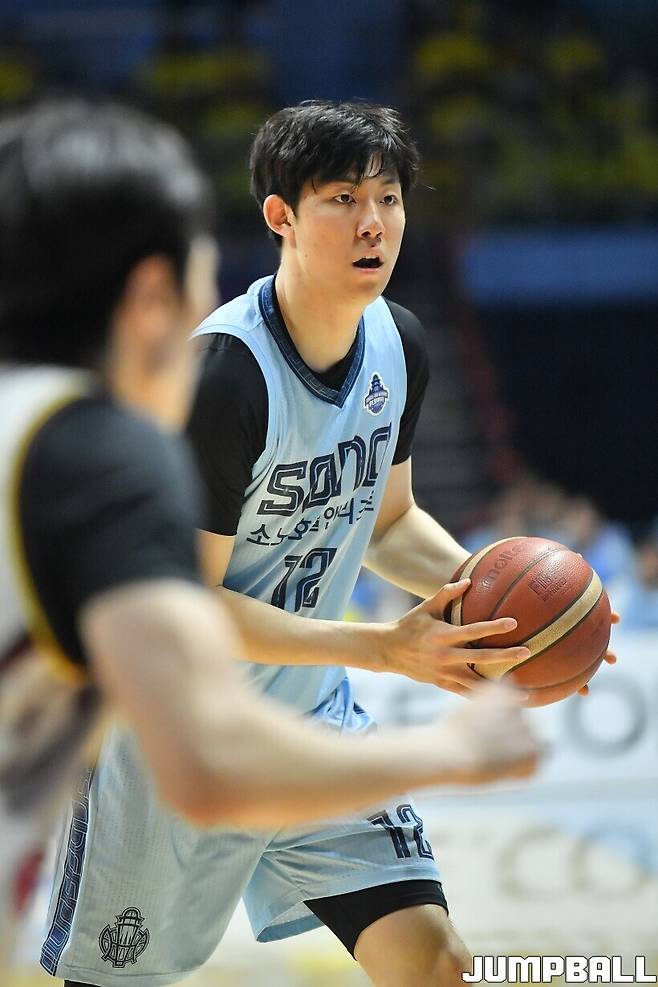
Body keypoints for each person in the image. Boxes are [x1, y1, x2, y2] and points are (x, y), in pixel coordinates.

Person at [40, 101, 546, 987]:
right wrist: (382, 647)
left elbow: (388, 522)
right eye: (343, 199)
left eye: (388, 199)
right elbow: (187, 609)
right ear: (281, 215)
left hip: (312, 721)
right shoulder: (223, 376)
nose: (372, 222)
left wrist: (509, 608)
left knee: (439, 968)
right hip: (177, 732)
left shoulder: (399, 344)